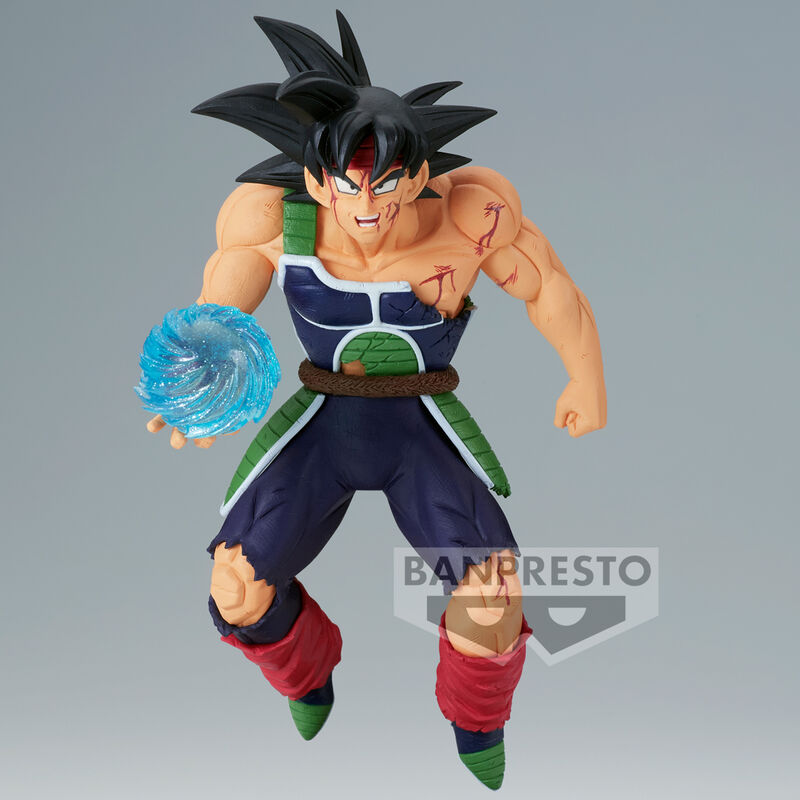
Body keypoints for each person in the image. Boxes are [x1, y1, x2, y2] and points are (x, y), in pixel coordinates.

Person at [146, 13, 606, 790]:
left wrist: (585, 374)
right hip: (321, 429)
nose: (365, 202)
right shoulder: (273, 218)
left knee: (491, 598)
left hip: (419, 433)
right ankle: (306, 673)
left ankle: (478, 727)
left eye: (386, 181)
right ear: (314, 177)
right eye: (346, 182)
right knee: (235, 590)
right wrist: (195, 391)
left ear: (418, 174)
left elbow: (548, 286)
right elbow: (215, 314)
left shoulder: (469, 215)